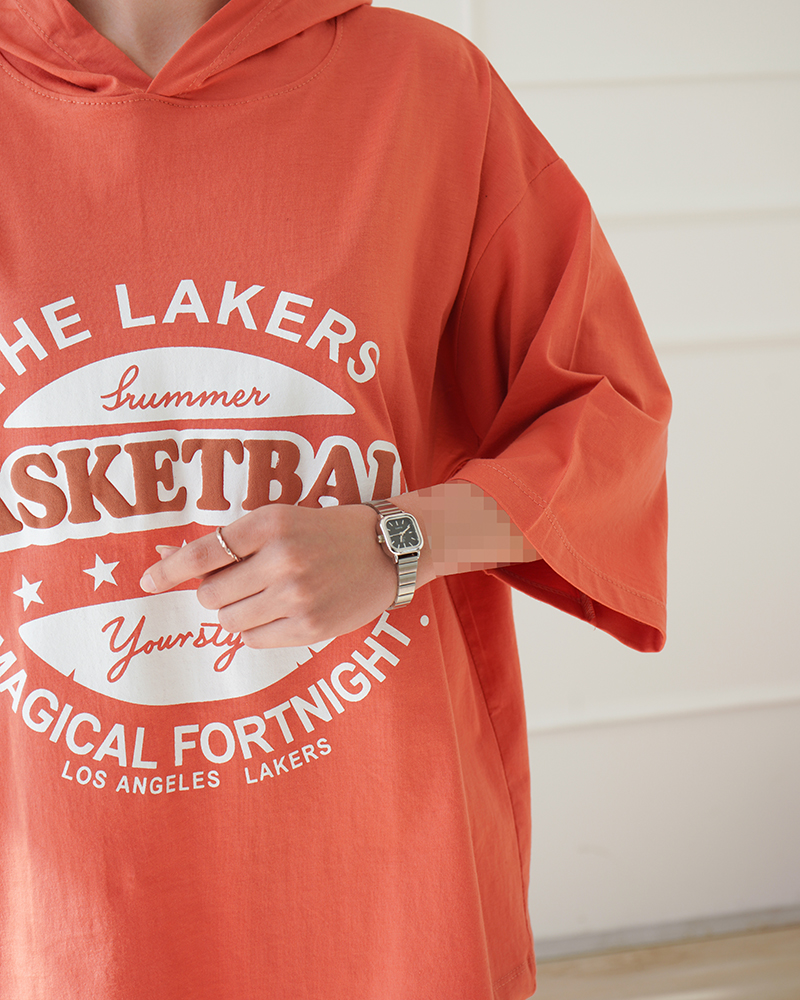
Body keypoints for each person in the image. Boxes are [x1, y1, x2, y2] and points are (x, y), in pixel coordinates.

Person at [0, 1, 670, 998]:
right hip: (52, 869)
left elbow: (606, 408)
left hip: (376, 846)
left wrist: (402, 539)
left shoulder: (424, 88)